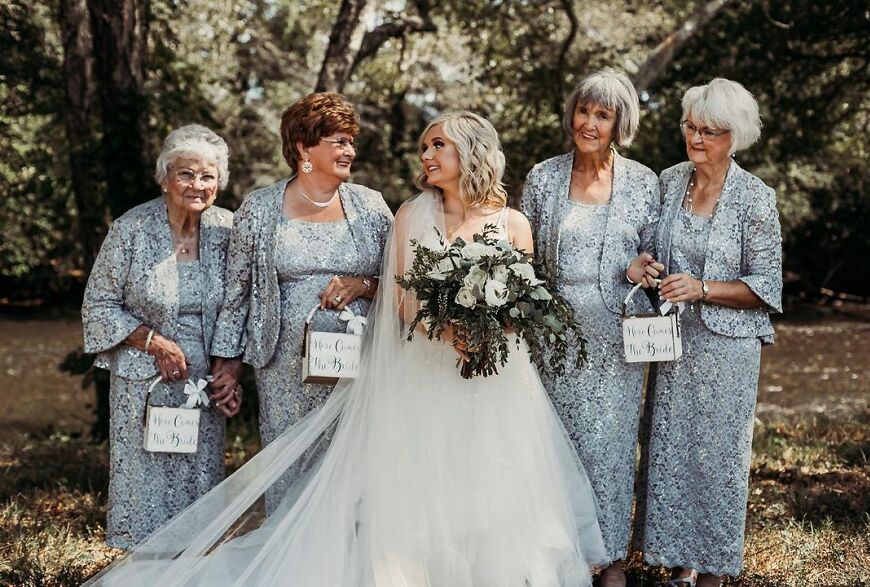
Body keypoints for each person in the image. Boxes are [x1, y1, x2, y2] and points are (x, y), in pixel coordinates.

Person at [83, 111, 607, 586]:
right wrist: (446, 331)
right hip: (341, 364)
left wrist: (483, 331)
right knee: (381, 477)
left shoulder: (489, 220)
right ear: (303, 148)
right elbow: (393, 297)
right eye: (423, 146)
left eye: (436, 146)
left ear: (469, 151)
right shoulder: (399, 214)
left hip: (469, 370)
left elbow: (522, 297)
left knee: (490, 474)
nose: (424, 156)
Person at [209, 92, 393, 511]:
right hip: (283, 371)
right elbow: (237, 293)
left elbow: (400, 283)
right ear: (303, 147)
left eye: (351, 141)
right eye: (338, 141)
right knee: (291, 468)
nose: (350, 150)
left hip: (359, 364)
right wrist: (229, 364)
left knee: (356, 468)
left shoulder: (370, 205)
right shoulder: (258, 208)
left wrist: (362, 284)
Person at [635, 79, 782, 587]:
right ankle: (680, 564)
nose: (696, 139)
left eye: (710, 131)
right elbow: (651, 242)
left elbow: (767, 287)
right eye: (690, 127)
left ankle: (715, 569)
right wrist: (649, 266)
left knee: (718, 455)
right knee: (671, 448)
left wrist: (701, 287)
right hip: (673, 340)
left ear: (734, 136)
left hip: (728, 347)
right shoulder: (670, 179)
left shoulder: (756, 198)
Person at [521, 68, 662, 587]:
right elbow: (522, 256)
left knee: (610, 447)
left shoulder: (644, 182)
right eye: (584, 110)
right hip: (550, 336)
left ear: (619, 122)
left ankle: (609, 562)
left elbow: (654, 256)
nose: (590, 122)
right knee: (551, 445)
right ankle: (557, 558)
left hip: (614, 338)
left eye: (603, 115)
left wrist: (643, 269)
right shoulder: (543, 176)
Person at [81, 124, 238, 549]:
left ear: (219, 183)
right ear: (165, 176)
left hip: (202, 380)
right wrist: (156, 342)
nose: (197, 185)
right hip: (144, 380)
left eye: (208, 176)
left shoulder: (229, 229)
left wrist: (230, 368)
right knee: (144, 488)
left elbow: (240, 302)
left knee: (200, 484)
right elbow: (98, 304)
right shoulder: (131, 229)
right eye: (186, 174)